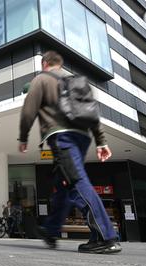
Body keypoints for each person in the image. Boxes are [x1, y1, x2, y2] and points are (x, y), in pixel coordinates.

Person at [18, 51, 121, 254]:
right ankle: (51, 229)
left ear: (44, 63)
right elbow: (92, 113)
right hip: (82, 137)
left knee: (74, 181)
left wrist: (23, 137)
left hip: (62, 137)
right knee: (63, 183)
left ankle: (105, 236)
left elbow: (29, 110)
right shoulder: (77, 82)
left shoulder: (42, 79)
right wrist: (101, 142)